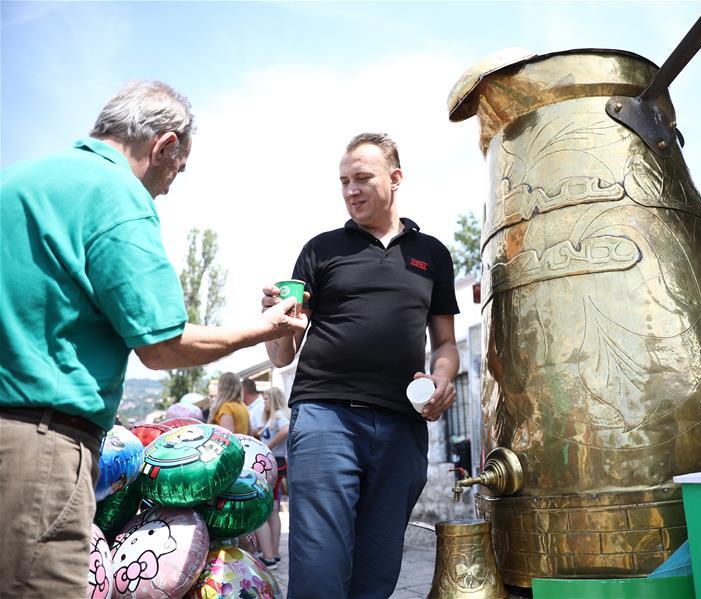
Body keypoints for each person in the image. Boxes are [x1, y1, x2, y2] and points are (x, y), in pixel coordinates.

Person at [0, 80, 307, 596]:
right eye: (176, 171)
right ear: (163, 146)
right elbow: (163, 345)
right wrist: (268, 327)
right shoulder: (115, 192)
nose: (166, 188)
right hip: (38, 443)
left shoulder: (19, 181)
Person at [262, 132, 460, 598]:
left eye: (362, 178)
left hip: (401, 425)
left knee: (378, 571)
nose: (351, 190)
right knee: (320, 570)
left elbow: (446, 343)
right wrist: (274, 323)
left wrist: (442, 379)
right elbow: (283, 354)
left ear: (395, 178)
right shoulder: (321, 249)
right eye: (344, 181)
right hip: (325, 417)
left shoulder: (432, 254)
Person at [254, 386, 290, 568]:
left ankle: (269, 556)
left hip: (273, 462)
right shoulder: (272, 417)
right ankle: (273, 553)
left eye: (266, 399)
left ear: (273, 399)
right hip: (275, 461)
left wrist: (267, 447)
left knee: (266, 509)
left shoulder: (278, 416)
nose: (264, 403)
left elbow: (286, 430)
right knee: (273, 509)